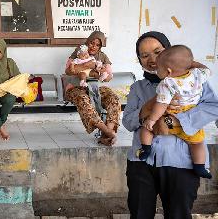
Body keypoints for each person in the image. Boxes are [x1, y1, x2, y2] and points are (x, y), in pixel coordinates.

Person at [123, 31, 218, 219]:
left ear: (168, 51)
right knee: (140, 213)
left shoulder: (195, 82)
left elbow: (213, 106)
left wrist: (173, 121)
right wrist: (147, 108)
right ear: (139, 59)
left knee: (178, 214)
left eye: (158, 51)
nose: (152, 59)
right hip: (141, 162)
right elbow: (127, 121)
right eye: (144, 55)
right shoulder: (138, 87)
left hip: (183, 161)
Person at [138, 45, 212, 179]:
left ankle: (146, 148)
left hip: (171, 118)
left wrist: (152, 120)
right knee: (198, 143)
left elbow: (161, 105)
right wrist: (190, 63)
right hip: (190, 120)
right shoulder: (198, 75)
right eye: (144, 55)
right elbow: (207, 70)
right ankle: (200, 166)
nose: (155, 67)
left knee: (146, 128)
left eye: (159, 68)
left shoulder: (168, 83)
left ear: (168, 71)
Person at [65, 31, 120, 146]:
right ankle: (108, 132)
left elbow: (109, 77)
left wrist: (102, 74)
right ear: (87, 42)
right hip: (76, 87)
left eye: (97, 44)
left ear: (100, 46)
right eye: (91, 43)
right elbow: (69, 71)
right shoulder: (78, 53)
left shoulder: (102, 57)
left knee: (113, 99)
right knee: (83, 100)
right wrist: (87, 65)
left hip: (96, 87)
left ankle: (106, 135)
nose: (93, 46)